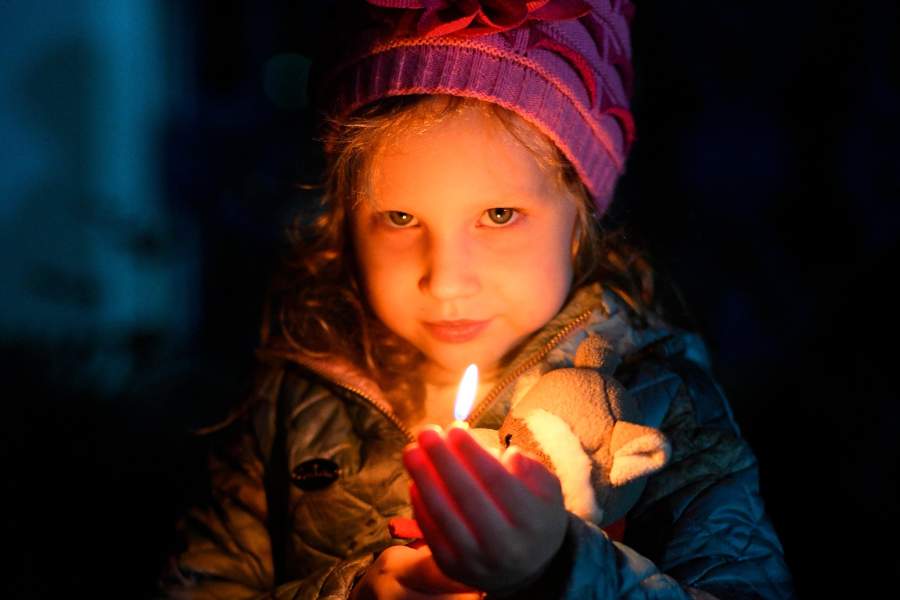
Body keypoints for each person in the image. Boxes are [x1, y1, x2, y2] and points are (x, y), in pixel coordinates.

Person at [160, 1, 795, 598]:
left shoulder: (665, 404)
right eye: (400, 218)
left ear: (578, 222)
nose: (447, 281)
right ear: (346, 227)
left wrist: (556, 566)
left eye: (498, 214)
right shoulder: (297, 406)